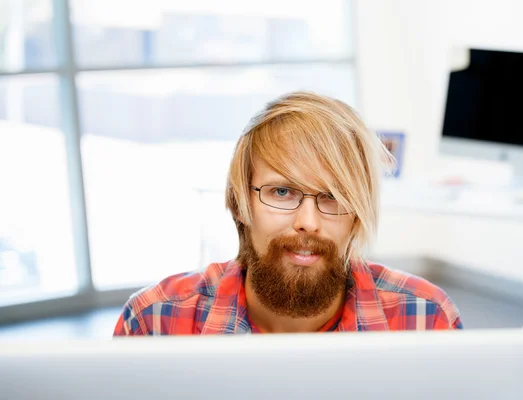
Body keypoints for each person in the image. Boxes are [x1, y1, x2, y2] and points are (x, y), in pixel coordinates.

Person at [113, 91, 462, 335]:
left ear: (357, 214)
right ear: (240, 204)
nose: (308, 222)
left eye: (334, 196)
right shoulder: (154, 321)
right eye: (282, 192)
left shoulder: (428, 319)